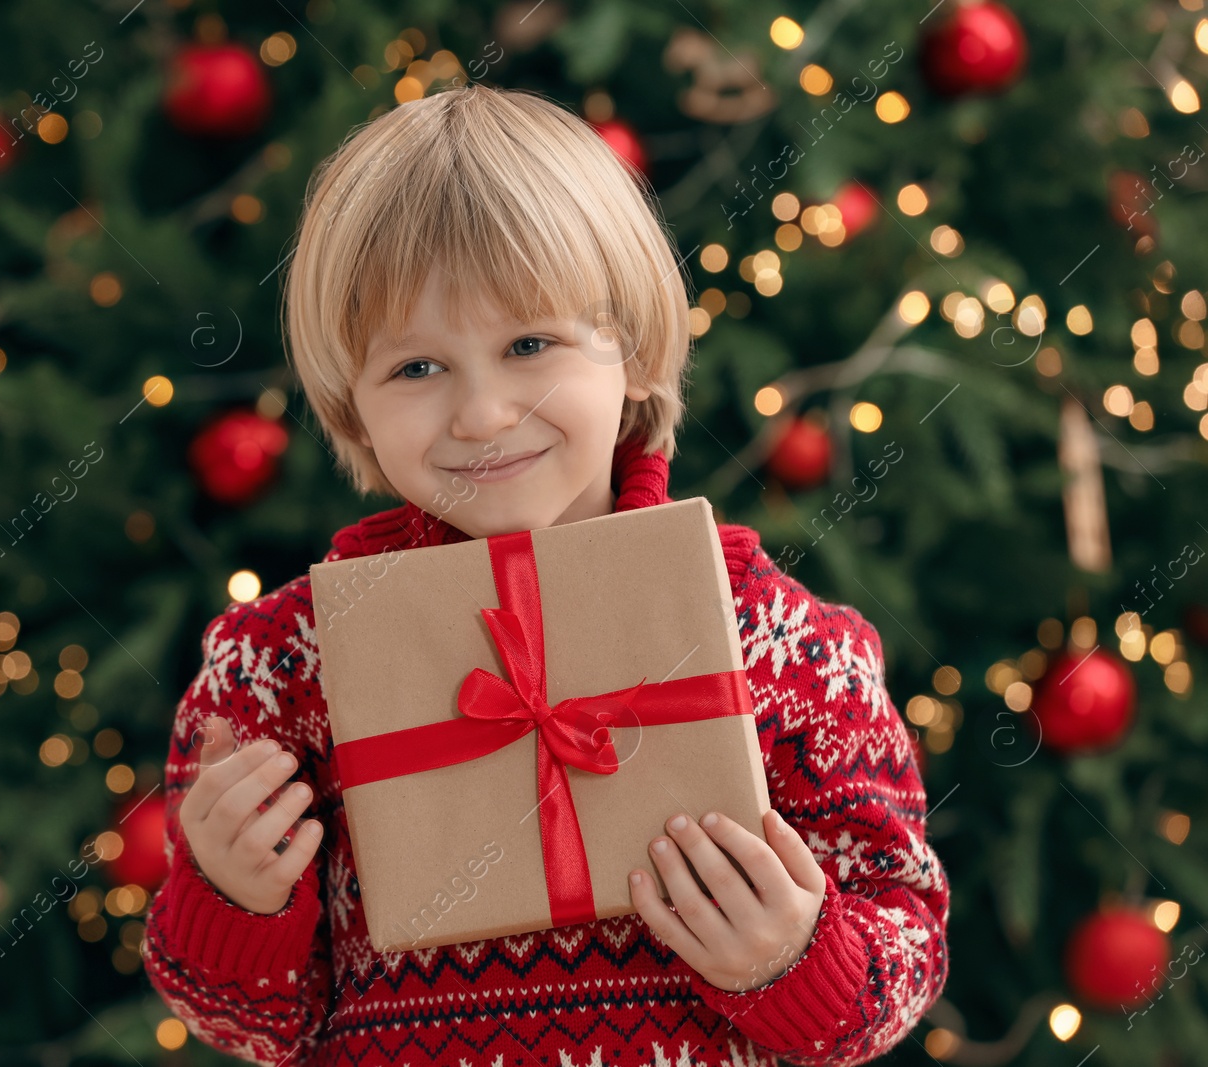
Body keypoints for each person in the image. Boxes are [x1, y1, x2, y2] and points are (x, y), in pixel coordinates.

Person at [141, 83, 949, 1067]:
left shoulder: (788, 650)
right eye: (415, 369)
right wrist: (231, 897)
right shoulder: (277, 671)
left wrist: (793, 954)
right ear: (351, 406)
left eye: (529, 344)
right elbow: (248, 1023)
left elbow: (901, 950)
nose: (481, 412)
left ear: (638, 353)